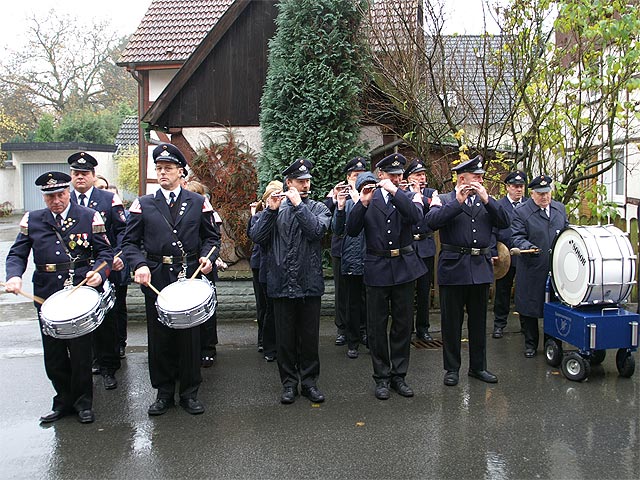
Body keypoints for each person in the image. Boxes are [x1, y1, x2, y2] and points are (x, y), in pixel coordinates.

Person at [4, 171, 113, 424]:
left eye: (61, 195)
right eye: (50, 196)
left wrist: (99, 274)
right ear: (44, 198)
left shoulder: (88, 217)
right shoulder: (32, 220)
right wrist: (14, 276)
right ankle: (63, 401)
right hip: (47, 292)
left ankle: (84, 403)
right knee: (53, 353)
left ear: (68, 192)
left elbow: (105, 253)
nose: (56, 201)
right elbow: (17, 255)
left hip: (79, 292)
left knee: (81, 352)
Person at [122, 142, 221, 416]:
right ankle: (164, 392)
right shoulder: (143, 204)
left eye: (168, 168)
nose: (162, 172)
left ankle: (190, 393)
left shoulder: (198, 202)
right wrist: (139, 264)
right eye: (159, 168)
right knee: (160, 336)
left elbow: (212, 238)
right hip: (157, 277)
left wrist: (207, 257)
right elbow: (129, 243)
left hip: (189, 275)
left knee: (189, 337)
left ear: (181, 172)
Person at [249, 158, 331, 405]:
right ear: (288, 182)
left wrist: (298, 206)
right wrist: (271, 211)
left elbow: (316, 231)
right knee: (284, 340)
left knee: (309, 338)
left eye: (307, 181)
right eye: (300, 181)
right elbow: (257, 237)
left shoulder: (318, 208)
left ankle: (309, 383)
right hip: (281, 283)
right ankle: (288, 384)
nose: (305, 186)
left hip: (309, 284)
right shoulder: (274, 210)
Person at [346, 153, 427, 400]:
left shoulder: (407, 196)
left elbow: (416, 219)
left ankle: (399, 376)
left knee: (403, 325)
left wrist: (396, 192)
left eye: (400, 175)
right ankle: (381, 377)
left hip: (403, 267)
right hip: (377, 266)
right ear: (380, 175)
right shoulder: (369, 198)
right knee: (377, 326)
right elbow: (351, 230)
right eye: (392, 175)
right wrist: (362, 202)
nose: (397, 178)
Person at [425, 155, 510, 387]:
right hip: (454, 267)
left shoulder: (486, 200)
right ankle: (452, 369)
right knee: (451, 323)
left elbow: (505, 222)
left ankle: (478, 367)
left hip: (480, 268)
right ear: (462, 178)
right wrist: (458, 203)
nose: (481, 181)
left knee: (479, 322)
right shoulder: (443, 199)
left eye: (481, 177)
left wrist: (487, 200)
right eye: (476, 177)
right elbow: (431, 222)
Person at [68, 152, 127, 390]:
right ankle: (87, 364)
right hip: (78, 271)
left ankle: (108, 367)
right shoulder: (65, 199)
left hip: (105, 266)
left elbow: (123, 231)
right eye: (76, 174)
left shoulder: (108, 199)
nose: (79, 178)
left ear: (94, 176)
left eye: (84, 174)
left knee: (107, 320)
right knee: (79, 320)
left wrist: (117, 256)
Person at [511, 174, 568, 357]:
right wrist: (528, 247)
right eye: (540, 194)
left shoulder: (559, 209)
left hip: (556, 269)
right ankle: (530, 344)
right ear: (532, 193)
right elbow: (516, 237)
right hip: (532, 267)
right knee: (529, 307)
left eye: (547, 193)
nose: (544, 197)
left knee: (554, 306)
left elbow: (567, 232)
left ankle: (553, 343)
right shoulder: (522, 212)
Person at [332, 168, 374, 359]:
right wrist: (340, 208)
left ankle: (368, 335)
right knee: (352, 303)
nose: (368, 190)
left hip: (371, 260)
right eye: (364, 187)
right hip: (351, 258)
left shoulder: (378, 204)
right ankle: (352, 340)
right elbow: (337, 229)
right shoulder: (347, 204)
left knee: (370, 303)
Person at [184, 179, 223, 368]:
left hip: (205, 266)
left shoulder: (209, 214)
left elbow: (214, 240)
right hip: (188, 267)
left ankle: (208, 347)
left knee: (207, 309)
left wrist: (209, 259)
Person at [403, 158, 437, 342]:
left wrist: (419, 194)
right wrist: (412, 193)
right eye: (417, 175)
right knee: (407, 291)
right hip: (408, 246)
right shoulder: (403, 194)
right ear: (409, 178)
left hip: (425, 246)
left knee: (424, 290)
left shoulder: (432, 193)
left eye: (423, 174)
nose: (422, 178)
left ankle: (423, 328)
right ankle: (406, 328)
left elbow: (433, 207)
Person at [248, 180, 283, 362]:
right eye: (272, 196)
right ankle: (266, 342)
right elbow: (257, 237)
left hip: (279, 269)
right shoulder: (259, 217)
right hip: (263, 267)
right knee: (266, 307)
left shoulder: (286, 215)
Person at [492, 171, 528, 339]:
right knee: (502, 292)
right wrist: (494, 252)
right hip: (504, 256)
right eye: (515, 186)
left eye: (521, 186)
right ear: (507, 187)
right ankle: (499, 324)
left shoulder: (529, 205)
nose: (519, 190)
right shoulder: (498, 206)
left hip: (524, 255)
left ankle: (526, 326)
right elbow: (492, 230)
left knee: (524, 292)